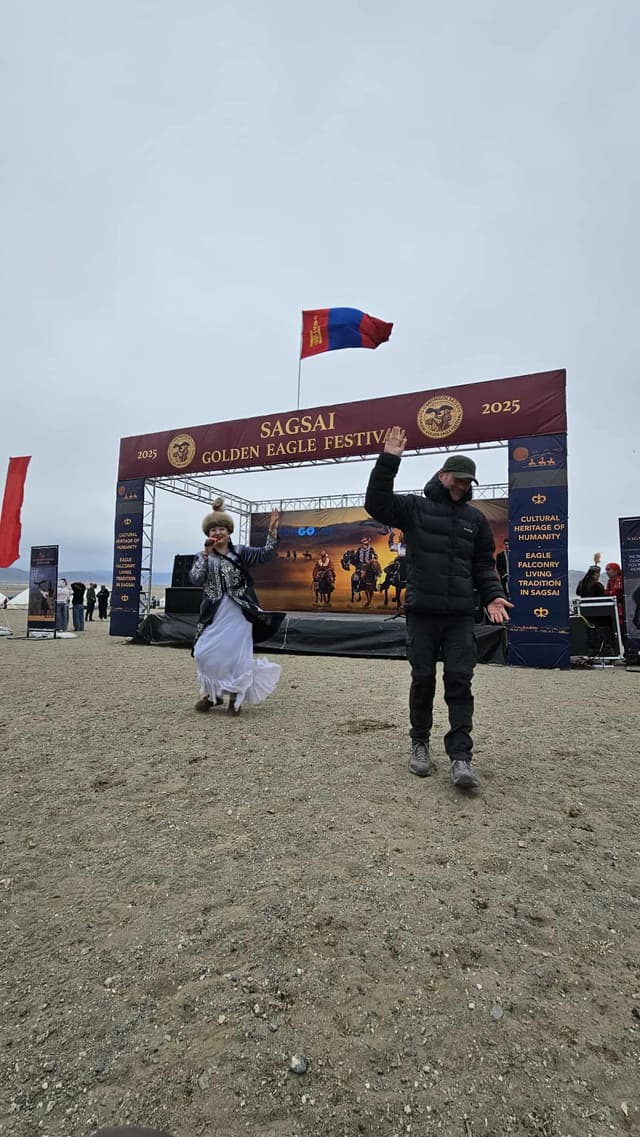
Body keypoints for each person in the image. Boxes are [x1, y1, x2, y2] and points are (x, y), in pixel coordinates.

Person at [365, 427, 512, 789]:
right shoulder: (415, 508)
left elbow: (483, 565)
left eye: (468, 481)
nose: (462, 486)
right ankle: (419, 743)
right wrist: (388, 460)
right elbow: (377, 503)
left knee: (460, 680)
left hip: (460, 615)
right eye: (458, 479)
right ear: (442, 475)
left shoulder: (475, 520)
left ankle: (461, 757)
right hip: (423, 613)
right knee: (423, 679)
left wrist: (492, 595)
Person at [189, 497, 282, 714]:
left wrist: (272, 531)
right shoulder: (201, 556)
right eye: (213, 530)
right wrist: (206, 556)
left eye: (221, 528)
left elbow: (266, 554)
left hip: (239, 612)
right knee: (204, 653)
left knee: (236, 656)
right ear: (208, 534)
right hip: (213, 613)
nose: (217, 533)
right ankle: (213, 695)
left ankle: (234, 698)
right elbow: (195, 579)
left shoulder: (241, 552)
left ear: (228, 531)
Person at [604, 561, 625, 630]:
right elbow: (607, 592)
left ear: (616, 571)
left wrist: (607, 593)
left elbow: (616, 592)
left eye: (608, 570)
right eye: (606, 570)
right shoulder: (610, 581)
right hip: (614, 609)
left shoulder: (619, 579)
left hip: (621, 610)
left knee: (620, 627)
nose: (607, 572)